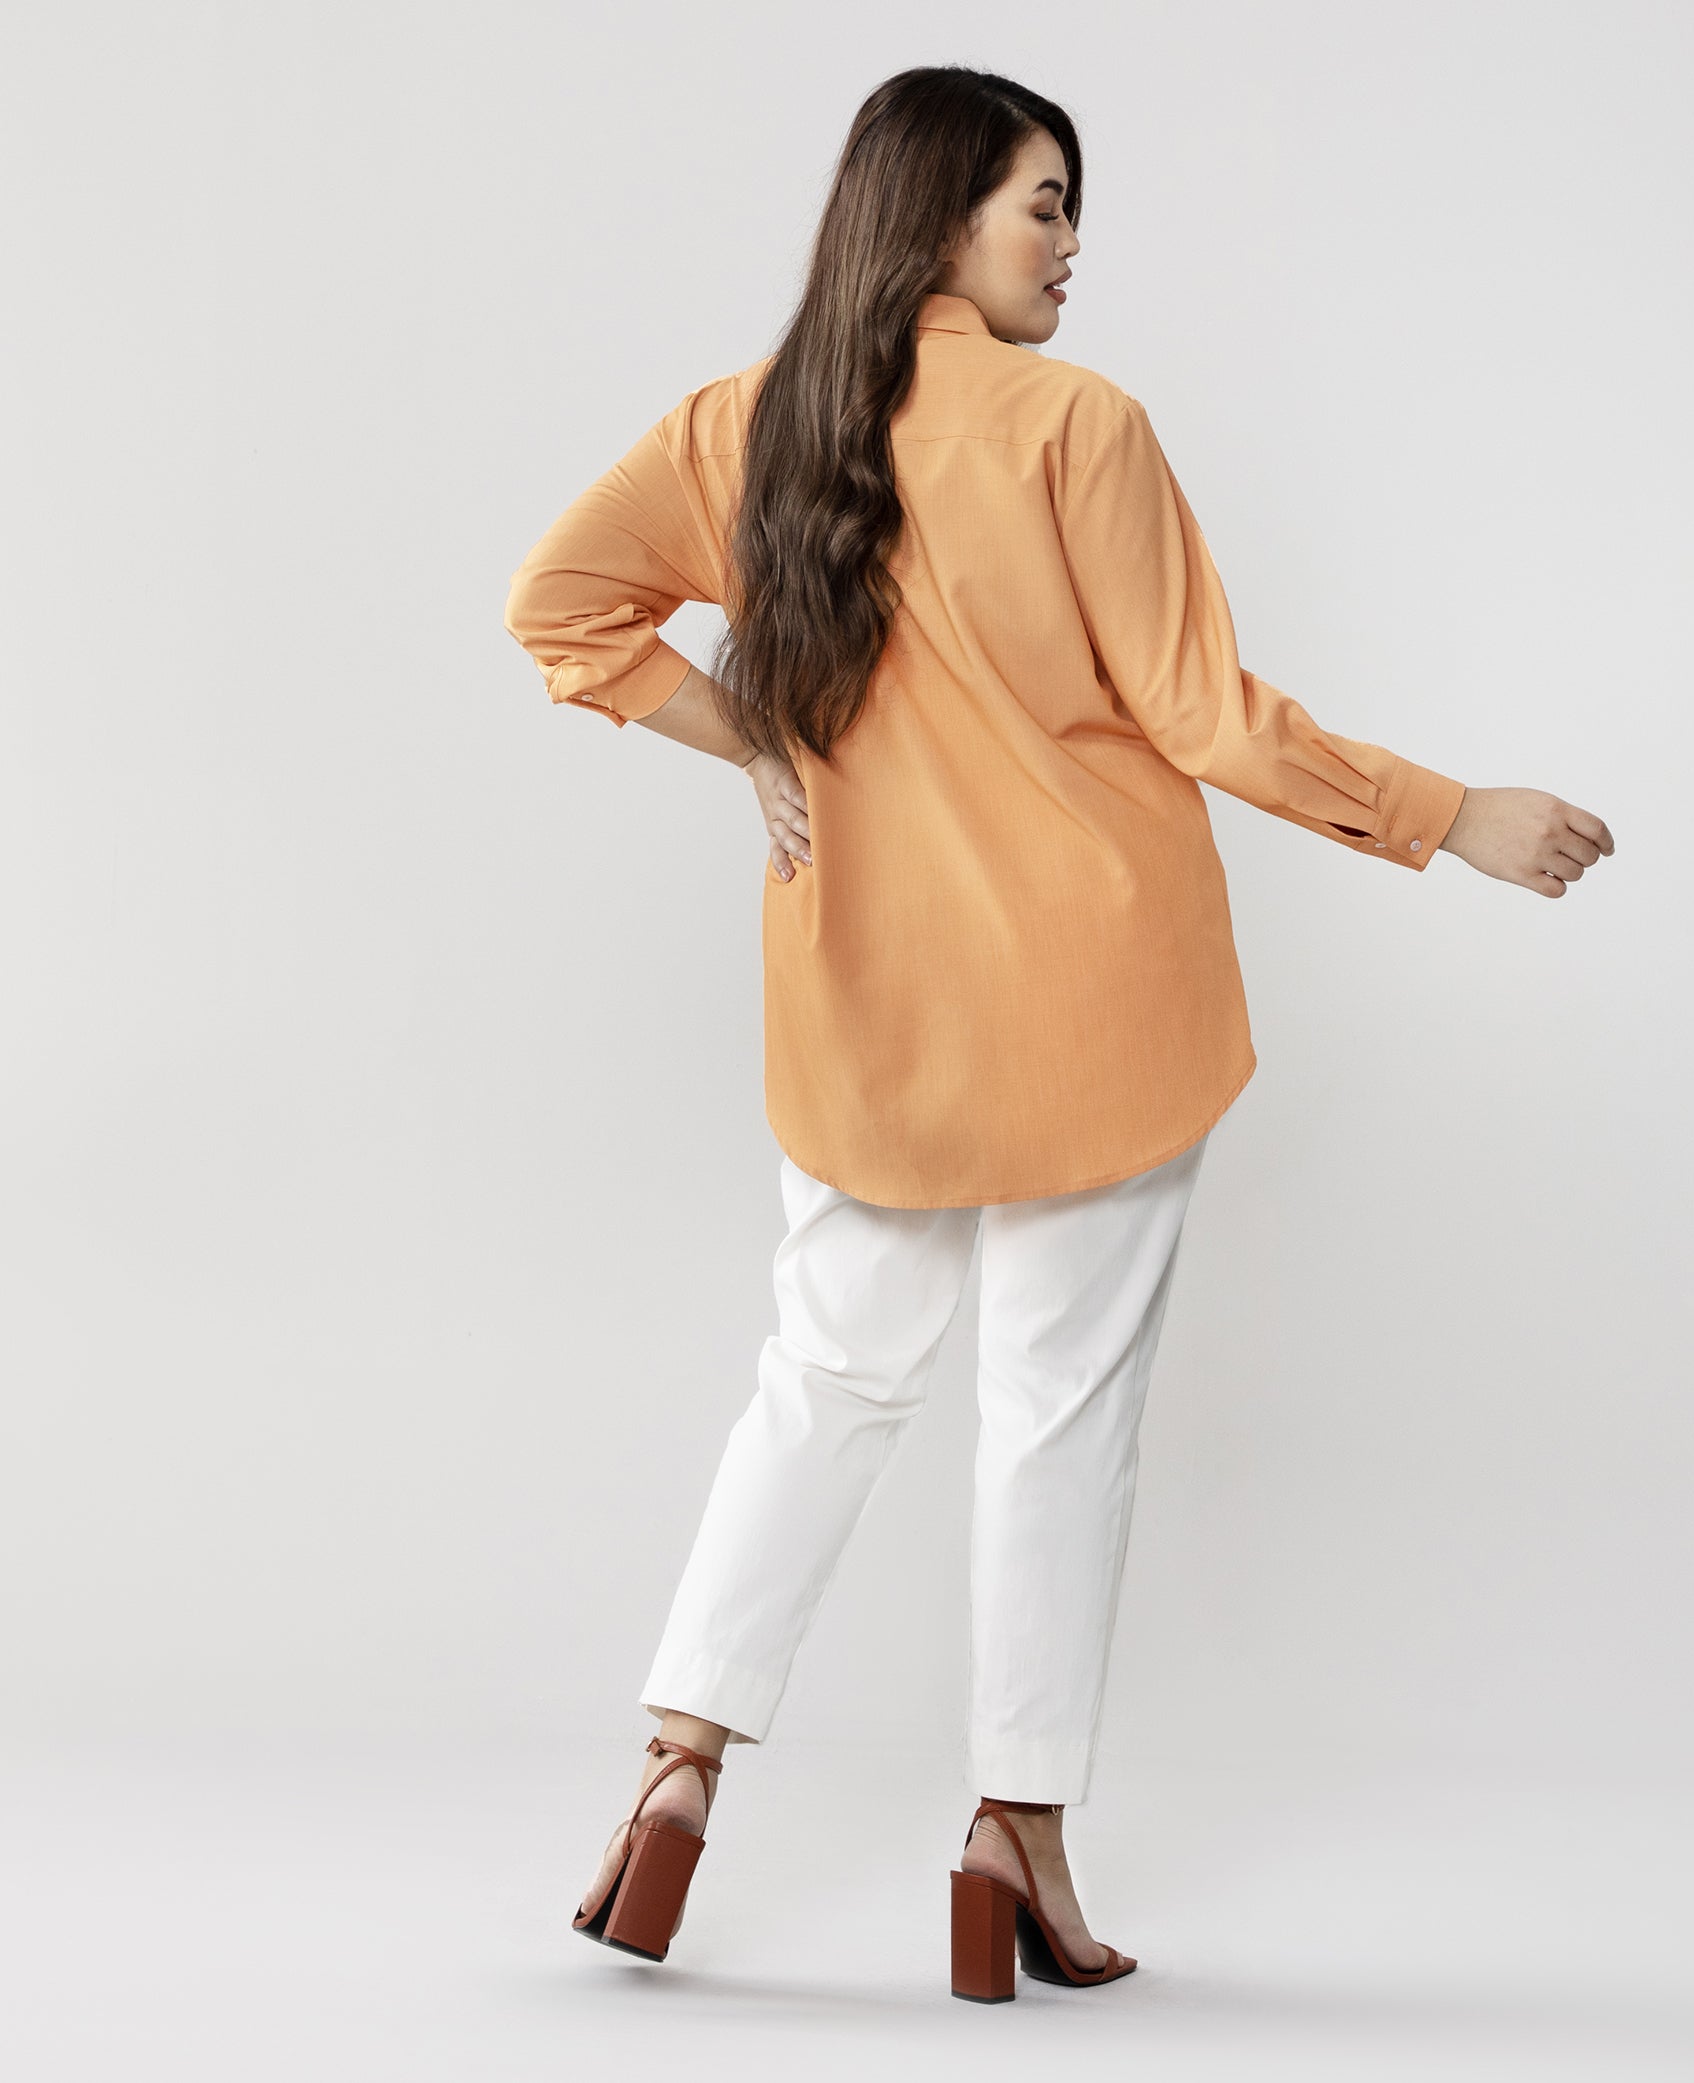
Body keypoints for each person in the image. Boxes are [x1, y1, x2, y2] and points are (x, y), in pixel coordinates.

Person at [503, 64, 1614, 2001]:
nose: (1073, 242)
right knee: (1058, 1415)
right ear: (939, 211)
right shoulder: (1075, 424)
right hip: (1102, 992)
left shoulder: (738, 426)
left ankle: (677, 1769)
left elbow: (562, 611)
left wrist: (756, 741)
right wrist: (1453, 817)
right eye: (1043, 201)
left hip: (865, 1000)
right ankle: (1012, 1834)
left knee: (825, 1379)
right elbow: (1205, 715)